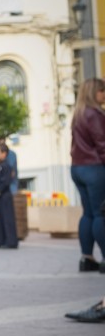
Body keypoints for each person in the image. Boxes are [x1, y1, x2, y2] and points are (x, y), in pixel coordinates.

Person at [69, 77, 105, 272]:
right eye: (102, 91)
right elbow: (102, 144)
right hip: (93, 167)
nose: (104, 94)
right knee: (100, 213)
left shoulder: (78, 114)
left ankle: (86, 258)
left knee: (89, 213)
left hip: (77, 167)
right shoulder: (95, 115)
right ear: (95, 92)